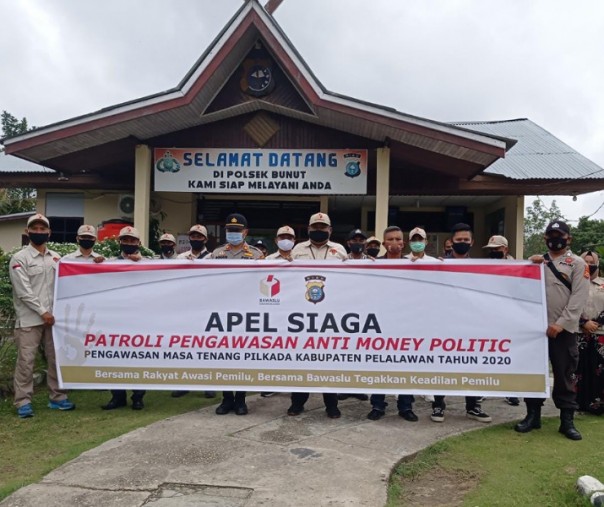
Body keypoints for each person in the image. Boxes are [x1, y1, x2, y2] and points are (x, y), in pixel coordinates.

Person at [516, 220, 590, 440]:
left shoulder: (577, 264)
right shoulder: (537, 261)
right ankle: (532, 415)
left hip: (563, 331)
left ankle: (567, 421)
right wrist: (528, 266)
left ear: (569, 239)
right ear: (545, 238)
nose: (555, 239)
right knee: (534, 373)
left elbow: (578, 298)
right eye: (551, 235)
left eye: (560, 235)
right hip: (535, 331)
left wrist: (561, 324)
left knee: (565, 374)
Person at [9, 213, 76, 418]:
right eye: (34, 229)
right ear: (27, 231)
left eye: (42, 229)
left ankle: (57, 397)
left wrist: (98, 262)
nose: (39, 232)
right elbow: (24, 291)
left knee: (55, 359)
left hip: (53, 319)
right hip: (30, 319)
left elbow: (70, 280)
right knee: (26, 362)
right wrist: (43, 312)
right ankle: (23, 402)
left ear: (49, 232)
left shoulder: (56, 257)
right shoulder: (20, 258)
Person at [430, 223, 492, 424]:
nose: (462, 243)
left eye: (466, 240)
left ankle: (473, 406)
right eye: (459, 240)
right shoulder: (438, 265)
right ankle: (438, 405)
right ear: (451, 242)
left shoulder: (479, 268)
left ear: (472, 242)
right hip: (444, 322)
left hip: (470, 324)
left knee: (472, 365)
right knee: (442, 364)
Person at [289, 212, 345, 418]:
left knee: (328, 361)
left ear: (330, 230)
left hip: (330, 315)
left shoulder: (339, 250)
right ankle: (297, 403)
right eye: (316, 227)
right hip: (302, 314)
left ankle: (332, 405)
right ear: (309, 229)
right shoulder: (297, 250)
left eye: (323, 227)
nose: (319, 230)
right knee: (301, 361)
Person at [211, 213, 264, 415]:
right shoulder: (216, 254)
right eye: (230, 230)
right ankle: (226, 399)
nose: (233, 234)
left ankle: (241, 399)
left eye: (237, 230)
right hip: (223, 315)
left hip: (246, 314)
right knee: (225, 357)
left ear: (245, 232)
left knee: (242, 357)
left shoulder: (257, 255)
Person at [366, 226, 417, 421]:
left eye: (398, 239)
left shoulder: (413, 265)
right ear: (384, 243)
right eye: (390, 239)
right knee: (379, 365)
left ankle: (405, 407)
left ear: (403, 243)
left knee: (405, 365)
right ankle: (378, 405)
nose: (394, 242)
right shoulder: (373, 264)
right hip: (379, 322)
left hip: (405, 322)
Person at [102, 226, 146, 410]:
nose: (129, 244)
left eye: (132, 241)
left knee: (139, 357)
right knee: (116, 357)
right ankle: (117, 396)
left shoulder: (149, 263)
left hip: (140, 318)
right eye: (125, 240)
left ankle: (138, 396)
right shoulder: (109, 263)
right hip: (116, 318)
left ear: (139, 243)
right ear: (119, 242)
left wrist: (141, 262)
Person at [170, 227, 214, 399]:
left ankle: (208, 384)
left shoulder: (212, 258)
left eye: (199, 236)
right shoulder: (180, 257)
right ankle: (184, 383)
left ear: (205, 239)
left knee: (206, 347)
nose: (196, 238)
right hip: (185, 307)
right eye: (193, 236)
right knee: (186, 346)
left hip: (206, 307)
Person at [482, 235, 519, 406]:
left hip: (509, 319)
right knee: (487, 355)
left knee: (508, 357)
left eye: (496, 249)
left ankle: (510, 391)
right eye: (491, 250)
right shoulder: (485, 266)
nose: (493, 252)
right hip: (488, 317)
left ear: (505, 249)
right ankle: (484, 389)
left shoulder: (518, 268)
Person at [338, 229, 370, 402]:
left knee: (360, 351)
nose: (358, 242)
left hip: (365, 311)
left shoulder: (373, 263)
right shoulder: (340, 261)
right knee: (345, 351)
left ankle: (358, 387)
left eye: (361, 239)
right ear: (348, 243)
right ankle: (344, 387)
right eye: (354, 240)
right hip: (344, 311)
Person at [575, 251, 604, 415]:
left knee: (599, 369)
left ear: (597, 263)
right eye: (585, 261)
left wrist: (597, 322)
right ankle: (578, 403)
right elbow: (568, 305)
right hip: (579, 332)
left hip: (601, 333)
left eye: (591, 261)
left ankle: (598, 405)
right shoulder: (574, 283)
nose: (589, 264)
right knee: (579, 369)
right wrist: (584, 322)